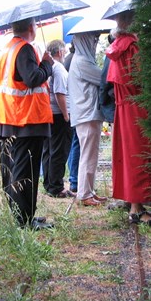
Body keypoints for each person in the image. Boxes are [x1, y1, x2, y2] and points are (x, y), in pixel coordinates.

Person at [0, 17, 55, 230]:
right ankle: (24, 221)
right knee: (26, 172)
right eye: (35, 25)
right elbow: (33, 78)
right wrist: (47, 64)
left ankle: (20, 217)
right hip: (26, 119)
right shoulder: (24, 49)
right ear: (30, 28)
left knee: (12, 171)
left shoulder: (6, 50)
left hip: (6, 117)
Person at [105, 9, 151, 225]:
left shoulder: (115, 48)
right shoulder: (133, 46)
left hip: (123, 109)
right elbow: (143, 79)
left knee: (128, 157)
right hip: (138, 107)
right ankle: (136, 208)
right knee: (139, 156)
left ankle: (133, 204)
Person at [68, 27, 108, 207]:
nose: (95, 43)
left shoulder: (80, 60)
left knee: (90, 154)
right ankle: (84, 194)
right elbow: (104, 78)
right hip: (87, 115)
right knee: (88, 155)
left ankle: (88, 191)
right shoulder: (82, 61)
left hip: (87, 114)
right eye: (92, 40)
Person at [41, 39, 73, 198]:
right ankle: (56, 186)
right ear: (59, 52)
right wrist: (66, 115)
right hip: (59, 114)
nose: (66, 53)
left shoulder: (48, 66)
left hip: (49, 113)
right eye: (64, 51)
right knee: (59, 151)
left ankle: (49, 183)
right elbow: (60, 93)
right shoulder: (59, 68)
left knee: (49, 150)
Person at [64, 43, 79, 195]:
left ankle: (73, 179)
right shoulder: (75, 59)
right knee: (76, 143)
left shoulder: (67, 59)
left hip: (71, 107)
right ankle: (74, 180)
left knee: (73, 144)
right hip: (73, 107)